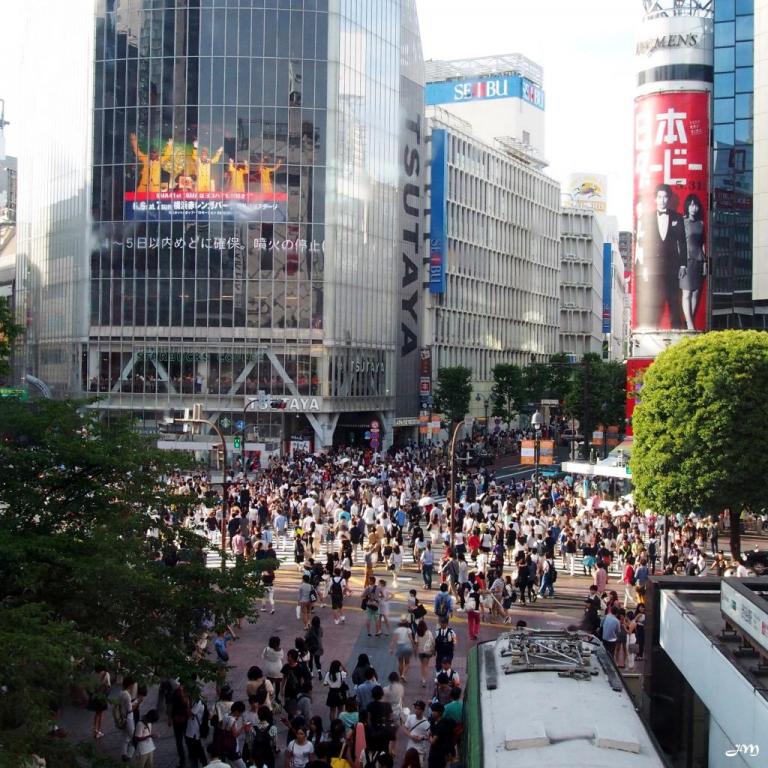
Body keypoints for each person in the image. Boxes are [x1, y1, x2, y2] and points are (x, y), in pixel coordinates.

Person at [637, 183, 687, 329]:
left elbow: (682, 242)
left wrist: (683, 264)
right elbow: (643, 244)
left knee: (674, 301)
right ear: (655, 199)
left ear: (669, 199)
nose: (662, 200)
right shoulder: (648, 218)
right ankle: (650, 331)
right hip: (654, 266)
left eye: (665, 197)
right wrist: (644, 267)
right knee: (654, 301)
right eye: (659, 197)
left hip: (673, 266)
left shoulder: (677, 217)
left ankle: (678, 333)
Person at [680, 193, 706, 330]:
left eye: (695, 205)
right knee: (687, 293)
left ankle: (688, 320)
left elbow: (703, 244)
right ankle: (690, 325)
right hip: (686, 259)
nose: (693, 208)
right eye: (691, 205)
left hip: (699, 259)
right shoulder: (682, 222)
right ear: (687, 207)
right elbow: (679, 243)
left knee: (695, 292)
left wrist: (705, 262)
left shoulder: (701, 224)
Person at [401, 701, 430, 766]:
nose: (416, 710)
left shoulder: (426, 723)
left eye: (418, 709)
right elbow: (405, 728)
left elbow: (429, 737)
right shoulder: (410, 717)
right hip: (410, 749)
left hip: (420, 751)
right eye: (415, 708)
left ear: (422, 710)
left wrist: (422, 738)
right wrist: (411, 736)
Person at [86, 664, 110, 739]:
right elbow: (108, 685)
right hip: (101, 696)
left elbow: (89, 686)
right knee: (100, 713)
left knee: (97, 713)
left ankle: (95, 729)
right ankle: (98, 731)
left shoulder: (92, 673)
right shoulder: (106, 674)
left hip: (94, 696)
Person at [390, 615, 416, 682]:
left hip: (399, 647)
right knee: (407, 663)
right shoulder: (408, 629)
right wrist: (414, 647)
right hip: (407, 647)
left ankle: (401, 674)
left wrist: (391, 649)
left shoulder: (397, 630)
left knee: (400, 662)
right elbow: (411, 639)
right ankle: (403, 675)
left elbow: (394, 640)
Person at [414, 620, 435, 688]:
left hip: (420, 651)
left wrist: (415, 651)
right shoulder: (429, 632)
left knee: (422, 665)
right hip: (427, 651)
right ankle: (424, 680)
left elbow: (416, 643)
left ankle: (423, 678)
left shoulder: (417, 633)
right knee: (426, 665)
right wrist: (433, 650)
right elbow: (432, 642)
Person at [305, 615, 324, 680]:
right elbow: (321, 635)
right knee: (317, 661)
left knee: (310, 661)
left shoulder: (310, 629)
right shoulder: (320, 628)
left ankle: (311, 673)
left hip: (311, 647)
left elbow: (306, 637)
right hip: (319, 647)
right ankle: (319, 673)